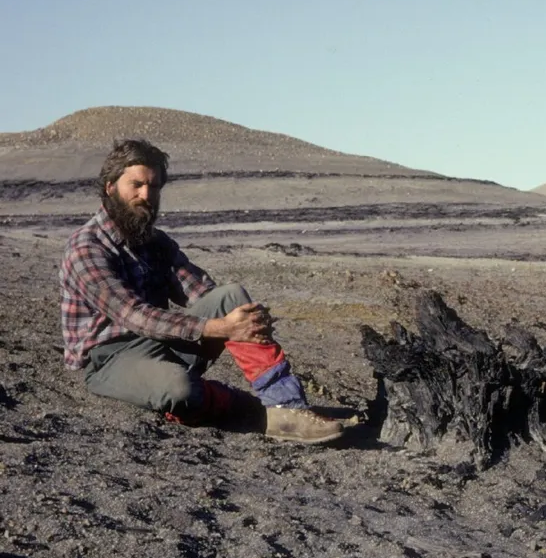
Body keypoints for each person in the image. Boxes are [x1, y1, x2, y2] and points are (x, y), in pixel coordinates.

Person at [58, 138, 345, 444]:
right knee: (180, 389)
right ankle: (251, 410)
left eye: (154, 187)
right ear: (110, 187)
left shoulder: (156, 242)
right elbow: (133, 315)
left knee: (232, 297)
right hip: (110, 360)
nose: (146, 195)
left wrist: (244, 320)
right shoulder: (86, 248)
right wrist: (218, 328)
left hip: (155, 341)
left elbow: (202, 291)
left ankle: (290, 409)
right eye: (136, 185)